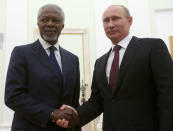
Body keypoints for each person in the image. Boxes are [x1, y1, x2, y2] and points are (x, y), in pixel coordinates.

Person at [56, 5, 173, 131]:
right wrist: (76, 115)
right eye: (106, 20)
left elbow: (168, 94)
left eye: (115, 18)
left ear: (130, 21)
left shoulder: (152, 47)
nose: (110, 24)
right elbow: (97, 102)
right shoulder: (100, 63)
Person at [5, 4, 81, 131]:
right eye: (44, 19)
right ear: (38, 24)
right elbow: (13, 96)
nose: (50, 24)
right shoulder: (21, 53)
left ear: (62, 26)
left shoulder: (72, 59)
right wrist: (51, 113)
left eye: (55, 20)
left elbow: (73, 103)